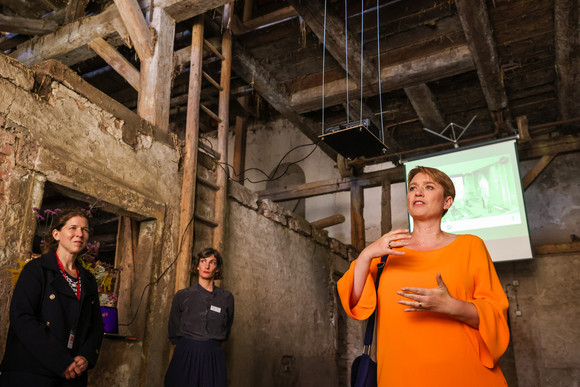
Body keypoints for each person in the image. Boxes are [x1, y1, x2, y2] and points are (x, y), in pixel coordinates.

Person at [337, 166, 510, 386]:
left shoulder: (470, 246)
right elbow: (353, 301)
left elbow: (495, 316)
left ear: (447, 202)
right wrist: (367, 254)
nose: (418, 192)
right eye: (413, 188)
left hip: (464, 372)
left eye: (429, 187)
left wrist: (450, 306)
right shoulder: (387, 250)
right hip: (401, 375)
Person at [0, 209, 104, 387]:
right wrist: (60, 361)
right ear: (56, 234)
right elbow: (22, 318)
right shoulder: (36, 270)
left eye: (85, 229)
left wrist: (86, 356)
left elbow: (96, 326)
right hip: (33, 372)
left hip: (72, 375)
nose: (80, 233)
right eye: (73, 227)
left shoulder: (88, 279)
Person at [165, 248, 235, 387]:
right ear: (197, 266)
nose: (207, 266)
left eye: (212, 262)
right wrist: (187, 347)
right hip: (185, 354)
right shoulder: (182, 295)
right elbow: (173, 329)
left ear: (217, 269)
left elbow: (227, 328)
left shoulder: (226, 298)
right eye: (203, 261)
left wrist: (209, 345)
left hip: (213, 356)